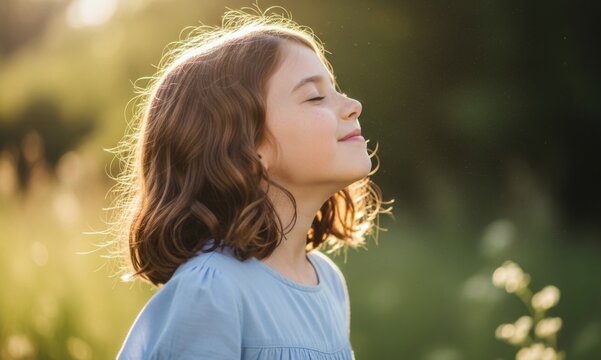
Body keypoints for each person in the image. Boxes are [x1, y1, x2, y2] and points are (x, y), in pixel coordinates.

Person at [111, 5, 393, 359]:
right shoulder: (212, 290)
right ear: (248, 147)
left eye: (336, 90)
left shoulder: (327, 281)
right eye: (315, 96)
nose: (353, 105)